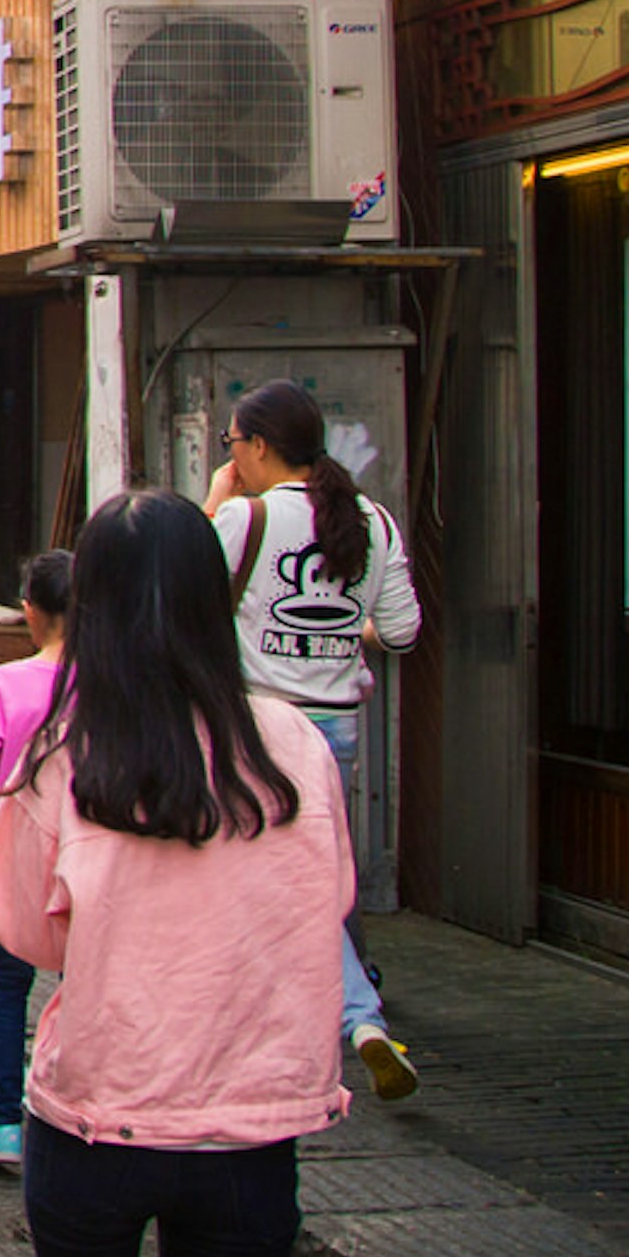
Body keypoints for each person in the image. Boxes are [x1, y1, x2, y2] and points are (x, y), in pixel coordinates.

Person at [0, 494, 353, 1257]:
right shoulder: (293, 744)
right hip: (251, 1122)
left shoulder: (66, 754)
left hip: (97, 1115)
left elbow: (24, 929)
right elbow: (330, 896)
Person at [211, 380, 426, 1102]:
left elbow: (179, 587)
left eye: (231, 443)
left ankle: (356, 1014)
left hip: (260, 725)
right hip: (336, 730)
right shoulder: (376, 522)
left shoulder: (246, 518)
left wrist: (214, 501)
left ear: (259, 445)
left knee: (275, 878)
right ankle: (347, 1012)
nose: (231, 456)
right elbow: (400, 631)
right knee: (321, 876)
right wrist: (340, 628)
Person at [0, 549, 74, 1170]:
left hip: (24, 851)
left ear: (30, 610)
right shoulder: (107, 683)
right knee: (85, 982)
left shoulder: (5, 683)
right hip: (93, 854)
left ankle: (2, 1123)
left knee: (8, 985)